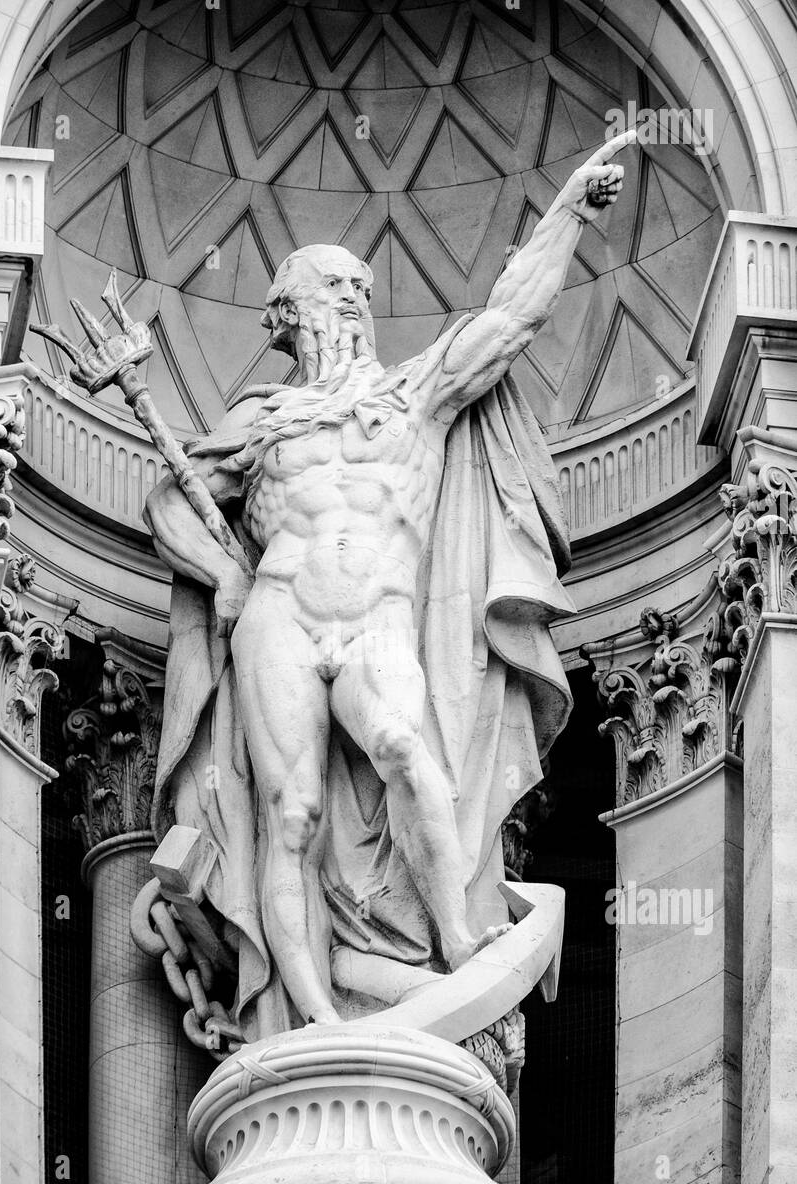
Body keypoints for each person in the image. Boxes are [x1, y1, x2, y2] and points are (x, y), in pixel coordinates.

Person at [144, 134, 632, 1039]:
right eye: (329, 289)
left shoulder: (418, 397)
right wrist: (221, 576)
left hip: (379, 620)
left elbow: (510, 318)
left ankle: (455, 937)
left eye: (354, 289)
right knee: (290, 813)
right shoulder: (264, 419)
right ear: (287, 312)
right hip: (280, 616)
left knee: (407, 747)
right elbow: (170, 499)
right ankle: (314, 1020)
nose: (350, 301)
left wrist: (567, 212)